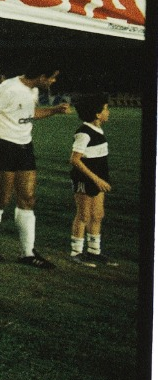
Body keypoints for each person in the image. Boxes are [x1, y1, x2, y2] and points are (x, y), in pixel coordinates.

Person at [0, 66, 71, 268]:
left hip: (25, 146)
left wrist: (54, 111)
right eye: (51, 78)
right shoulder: (7, 89)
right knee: (2, 198)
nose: (52, 82)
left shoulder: (32, 91)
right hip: (4, 144)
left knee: (27, 198)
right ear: (42, 75)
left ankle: (27, 252)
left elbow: (30, 113)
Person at [68, 92, 115, 266]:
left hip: (97, 180)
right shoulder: (84, 133)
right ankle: (76, 252)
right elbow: (74, 159)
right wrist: (96, 179)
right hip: (85, 179)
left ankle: (94, 252)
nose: (108, 112)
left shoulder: (98, 130)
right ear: (97, 114)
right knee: (84, 215)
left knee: (98, 215)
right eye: (106, 109)